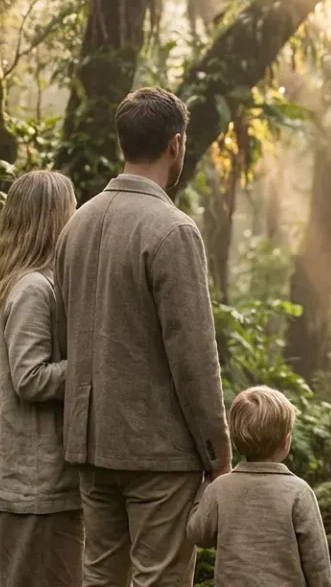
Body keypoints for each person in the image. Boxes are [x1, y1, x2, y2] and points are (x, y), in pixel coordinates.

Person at [56, 87, 231, 586]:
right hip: (158, 450)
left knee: (100, 578)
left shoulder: (77, 225)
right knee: (160, 580)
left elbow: (67, 333)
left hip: (91, 444)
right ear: (176, 144)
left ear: (123, 142)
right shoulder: (172, 230)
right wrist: (217, 452)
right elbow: (193, 355)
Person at [0, 170, 82, 587]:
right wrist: (95, 366)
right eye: (71, 210)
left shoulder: (19, 284)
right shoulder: (35, 289)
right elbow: (31, 378)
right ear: (53, 219)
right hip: (35, 489)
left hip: (22, 482)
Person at [186, 387, 331, 587]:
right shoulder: (299, 491)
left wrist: (205, 485)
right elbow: (317, 560)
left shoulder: (220, 488)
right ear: (285, 441)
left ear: (236, 441)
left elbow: (198, 535)